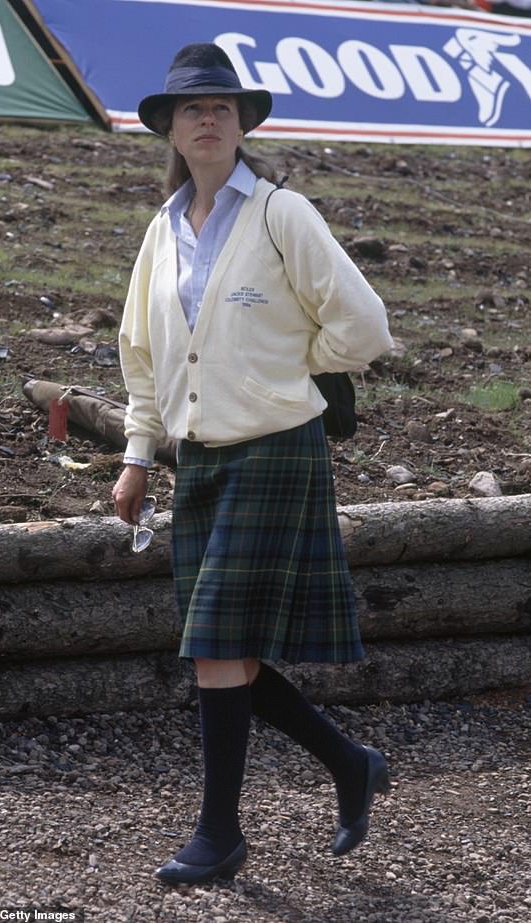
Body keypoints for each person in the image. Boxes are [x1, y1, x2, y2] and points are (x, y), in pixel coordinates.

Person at [112, 42, 394, 887]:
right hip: (198, 462)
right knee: (217, 648)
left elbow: (367, 328)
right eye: (193, 109)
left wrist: (292, 367)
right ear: (170, 129)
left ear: (240, 127)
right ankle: (350, 763)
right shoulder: (161, 233)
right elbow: (140, 357)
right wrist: (135, 457)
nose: (208, 120)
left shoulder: (282, 213)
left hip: (277, 450)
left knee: (213, 646)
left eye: (222, 108)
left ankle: (220, 833)